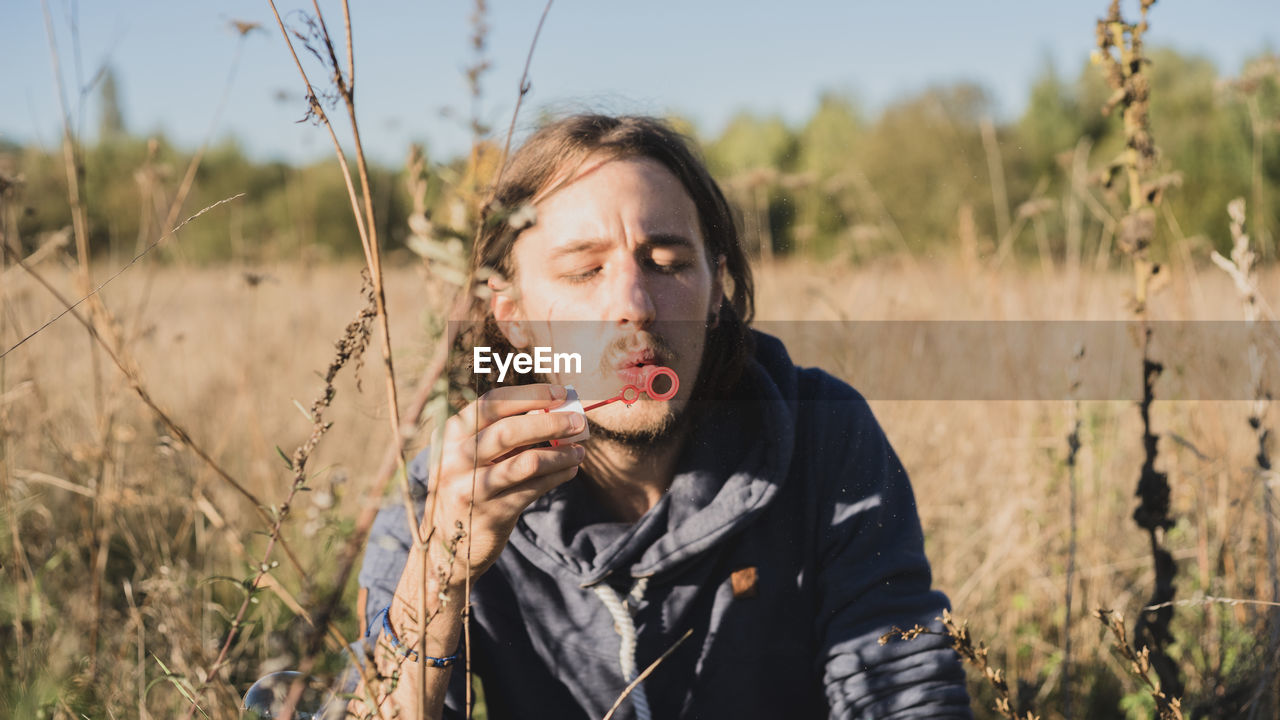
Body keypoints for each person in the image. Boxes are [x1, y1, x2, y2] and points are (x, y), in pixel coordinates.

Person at [347, 114, 971, 719]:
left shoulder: (822, 434)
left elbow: (905, 689)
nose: (634, 306)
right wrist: (440, 577)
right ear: (512, 316)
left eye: (667, 263)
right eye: (583, 270)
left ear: (716, 290)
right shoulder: (452, 490)